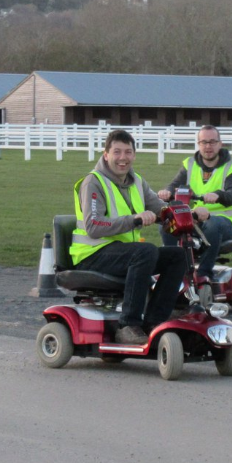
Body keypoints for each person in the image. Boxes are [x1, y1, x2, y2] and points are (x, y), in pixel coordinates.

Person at [71, 128, 187, 344]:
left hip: (123, 254)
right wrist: (135, 219)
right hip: (91, 254)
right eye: (117, 152)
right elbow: (93, 226)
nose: (122, 158)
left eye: (128, 152)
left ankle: (154, 322)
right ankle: (128, 325)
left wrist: (190, 214)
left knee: (177, 256)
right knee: (146, 251)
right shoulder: (93, 182)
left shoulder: (137, 181)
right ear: (106, 154)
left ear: (134, 155)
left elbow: (162, 210)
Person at [156, 125, 232, 284]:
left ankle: (203, 274)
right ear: (198, 144)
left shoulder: (231, 167)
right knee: (167, 223)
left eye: (212, 142)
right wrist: (167, 192)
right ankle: (175, 269)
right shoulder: (189, 164)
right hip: (194, 219)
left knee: (211, 224)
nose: (208, 146)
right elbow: (174, 184)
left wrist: (218, 195)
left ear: (220, 144)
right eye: (204, 142)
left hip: (224, 222)